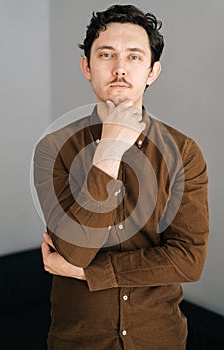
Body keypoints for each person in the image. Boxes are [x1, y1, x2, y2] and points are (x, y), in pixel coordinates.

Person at [34, 4, 209, 350]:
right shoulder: (53, 149)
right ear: (86, 66)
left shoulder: (184, 153)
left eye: (133, 57)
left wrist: (89, 274)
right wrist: (109, 151)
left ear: (152, 71)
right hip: (78, 341)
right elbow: (73, 252)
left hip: (159, 337)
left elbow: (189, 260)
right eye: (106, 54)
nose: (119, 69)